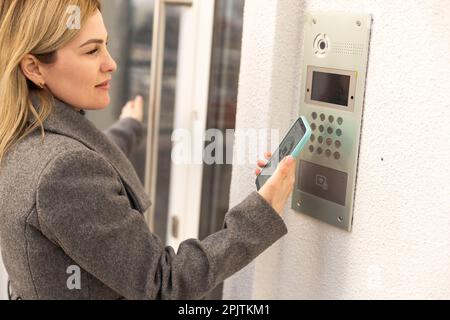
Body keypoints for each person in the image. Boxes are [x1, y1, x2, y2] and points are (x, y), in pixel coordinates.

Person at [0, 0, 296, 300]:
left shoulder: (22, 138)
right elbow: (164, 282)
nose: (110, 62)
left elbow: (87, 161)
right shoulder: (64, 172)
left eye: (106, 45)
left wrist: (129, 125)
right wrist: (262, 212)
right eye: (91, 50)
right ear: (34, 67)